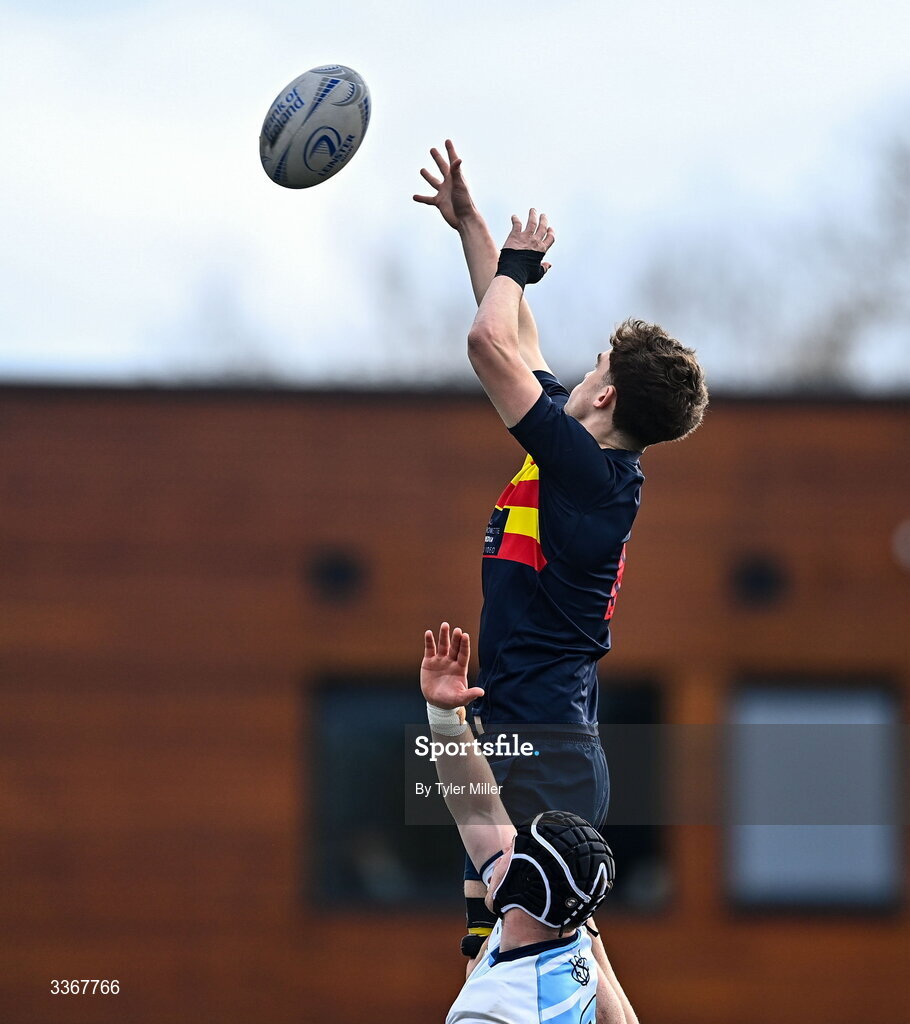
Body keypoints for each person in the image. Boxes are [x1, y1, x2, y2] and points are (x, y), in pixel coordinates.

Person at [415, 143, 708, 952]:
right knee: (491, 961)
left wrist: (516, 265)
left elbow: (486, 347)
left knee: (526, 962)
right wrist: (472, 228)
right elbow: (511, 329)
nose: (574, 371)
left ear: (606, 393)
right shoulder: (577, 446)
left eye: (595, 365)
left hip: (546, 753)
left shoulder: (588, 473)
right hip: (524, 738)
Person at [421, 622, 639, 1024]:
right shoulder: (565, 940)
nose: (503, 846)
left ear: (521, 883)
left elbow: (479, 811)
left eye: (514, 849)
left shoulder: (496, 1011)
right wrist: (445, 713)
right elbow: (476, 807)